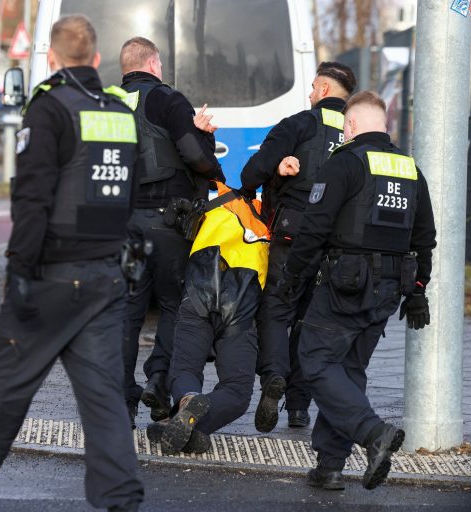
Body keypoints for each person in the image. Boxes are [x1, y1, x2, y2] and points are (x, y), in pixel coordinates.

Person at [0, 15, 143, 512]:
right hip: (106, 278)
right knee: (105, 403)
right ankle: (123, 502)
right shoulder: (118, 113)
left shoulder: (49, 109)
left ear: (51, 58)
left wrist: (18, 276)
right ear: (96, 59)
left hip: (48, 279)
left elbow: (32, 201)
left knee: (3, 396)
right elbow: (127, 196)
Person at [277, 90, 436, 491]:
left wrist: (291, 277)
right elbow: (425, 237)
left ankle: (372, 433)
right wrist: (417, 289)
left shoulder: (344, 163)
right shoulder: (409, 168)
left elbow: (314, 227)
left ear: (350, 126)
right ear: (383, 124)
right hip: (389, 289)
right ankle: (330, 466)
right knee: (347, 371)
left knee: (314, 360)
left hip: (344, 284)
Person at [240, 62, 357, 433]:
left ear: (323, 89)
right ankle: (299, 407)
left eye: (311, 88)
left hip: (294, 231)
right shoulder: (358, 134)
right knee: (310, 318)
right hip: (338, 241)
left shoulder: (299, 124)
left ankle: (273, 376)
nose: (309, 94)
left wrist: (277, 170)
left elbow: (251, 173)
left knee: (277, 309)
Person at [119, 37, 224, 427]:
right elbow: (195, 157)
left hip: (122, 226)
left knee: (127, 314)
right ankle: (158, 383)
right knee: (173, 306)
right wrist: (207, 144)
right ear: (154, 64)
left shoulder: (107, 103)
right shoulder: (168, 99)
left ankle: (122, 404)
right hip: (167, 224)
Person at [148, 182, 270, 454]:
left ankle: (187, 403)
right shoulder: (267, 218)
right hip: (241, 303)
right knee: (238, 391)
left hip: (198, 291)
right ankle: (194, 428)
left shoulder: (211, 204)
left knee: (184, 370)